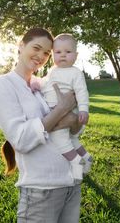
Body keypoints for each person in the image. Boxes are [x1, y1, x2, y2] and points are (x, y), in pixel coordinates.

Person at [0, 28, 83, 222]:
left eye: (47, 53)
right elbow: (22, 139)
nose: (41, 56)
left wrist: (72, 120)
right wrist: (60, 111)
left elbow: (75, 129)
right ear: (21, 46)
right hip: (42, 190)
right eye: (37, 48)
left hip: (71, 183)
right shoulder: (4, 84)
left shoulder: (45, 83)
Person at [31, 33, 92, 181]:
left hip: (68, 111)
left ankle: (76, 167)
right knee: (72, 140)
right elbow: (46, 82)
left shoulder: (75, 73)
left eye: (68, 52)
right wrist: (37, 84)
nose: (63, 55)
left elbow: (82, 91)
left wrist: (84, 109)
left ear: (76, 55)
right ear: (52, 55)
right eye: (58, 52)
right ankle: (86, 157)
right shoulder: (53, 71)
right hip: (56, 110)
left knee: (61, 142)